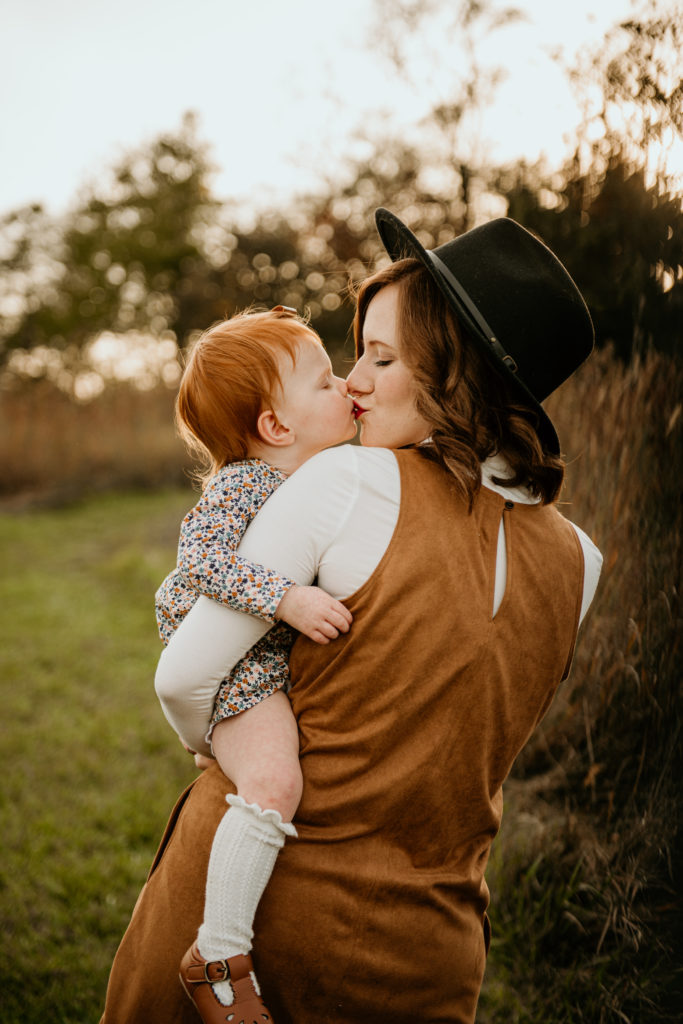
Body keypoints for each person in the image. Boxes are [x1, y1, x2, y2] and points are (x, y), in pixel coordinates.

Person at [100, 208, 603, 1024]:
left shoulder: (343, 484)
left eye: (380, 356)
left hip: (262, 924)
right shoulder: (583, 561)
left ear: (459, 371)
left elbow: (185, 671)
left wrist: (214, 743)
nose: (355, 381)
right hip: (430, 958)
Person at [153, 306, 356, 1022]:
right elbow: (200, 559)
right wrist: (287, 598)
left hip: (261, 654)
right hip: (240, 669)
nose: (347, 386)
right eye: (327, 380)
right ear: (276, 427)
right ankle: (218, 952)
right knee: (274, 782)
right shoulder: (247, 484)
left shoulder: (326, 472)